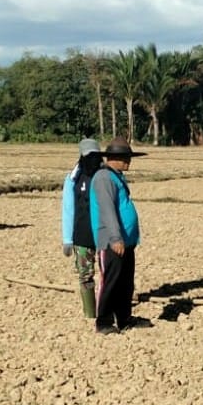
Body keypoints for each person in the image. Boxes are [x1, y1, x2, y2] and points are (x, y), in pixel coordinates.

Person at [90, 141, 149, 334]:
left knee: (125, 281)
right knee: (111, 280)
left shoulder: (117, 177)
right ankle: (104, 321)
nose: (129, 162)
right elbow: (107, 210)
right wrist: (115, 238)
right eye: (127, 158)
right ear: (115, 158)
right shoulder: (104, 178)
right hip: (112, 241)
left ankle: (125, 318)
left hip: (126, 241)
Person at [60, 138, 104, 319]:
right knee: (85, 276)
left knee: (108, 274)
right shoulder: (73, 179)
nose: (92, 160)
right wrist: (67, 240)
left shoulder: (106, 176)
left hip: (104, 236)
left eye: (96, 156)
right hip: (82, 237)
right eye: (89, 156)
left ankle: (106, 309)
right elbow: (68, 209)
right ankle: (90, 313)